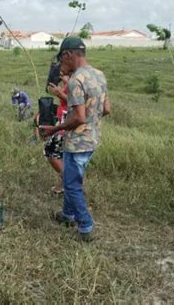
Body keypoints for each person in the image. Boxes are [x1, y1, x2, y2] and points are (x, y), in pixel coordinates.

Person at [40, 36, 110, 242]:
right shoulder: (99, 75)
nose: (62, 64)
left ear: (69, 54)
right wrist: (91, 121)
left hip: (77, 143)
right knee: (72, 178)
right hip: (93, 139)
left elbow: (78, 117)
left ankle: (85, 225)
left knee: (71, 185)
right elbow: (106, 109)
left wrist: (55, 129)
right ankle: (68, 215)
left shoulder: (76, 81)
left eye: (62, 59)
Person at [44, 68, 69, 194]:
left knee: (50, 151)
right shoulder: (68, 81)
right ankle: (62, 185)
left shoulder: (73, 82)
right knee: (63, 155)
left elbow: (74, 102)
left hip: (66, 123)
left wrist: (59, 93)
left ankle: (67, 181)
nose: (60, 73)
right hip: (63, 121)